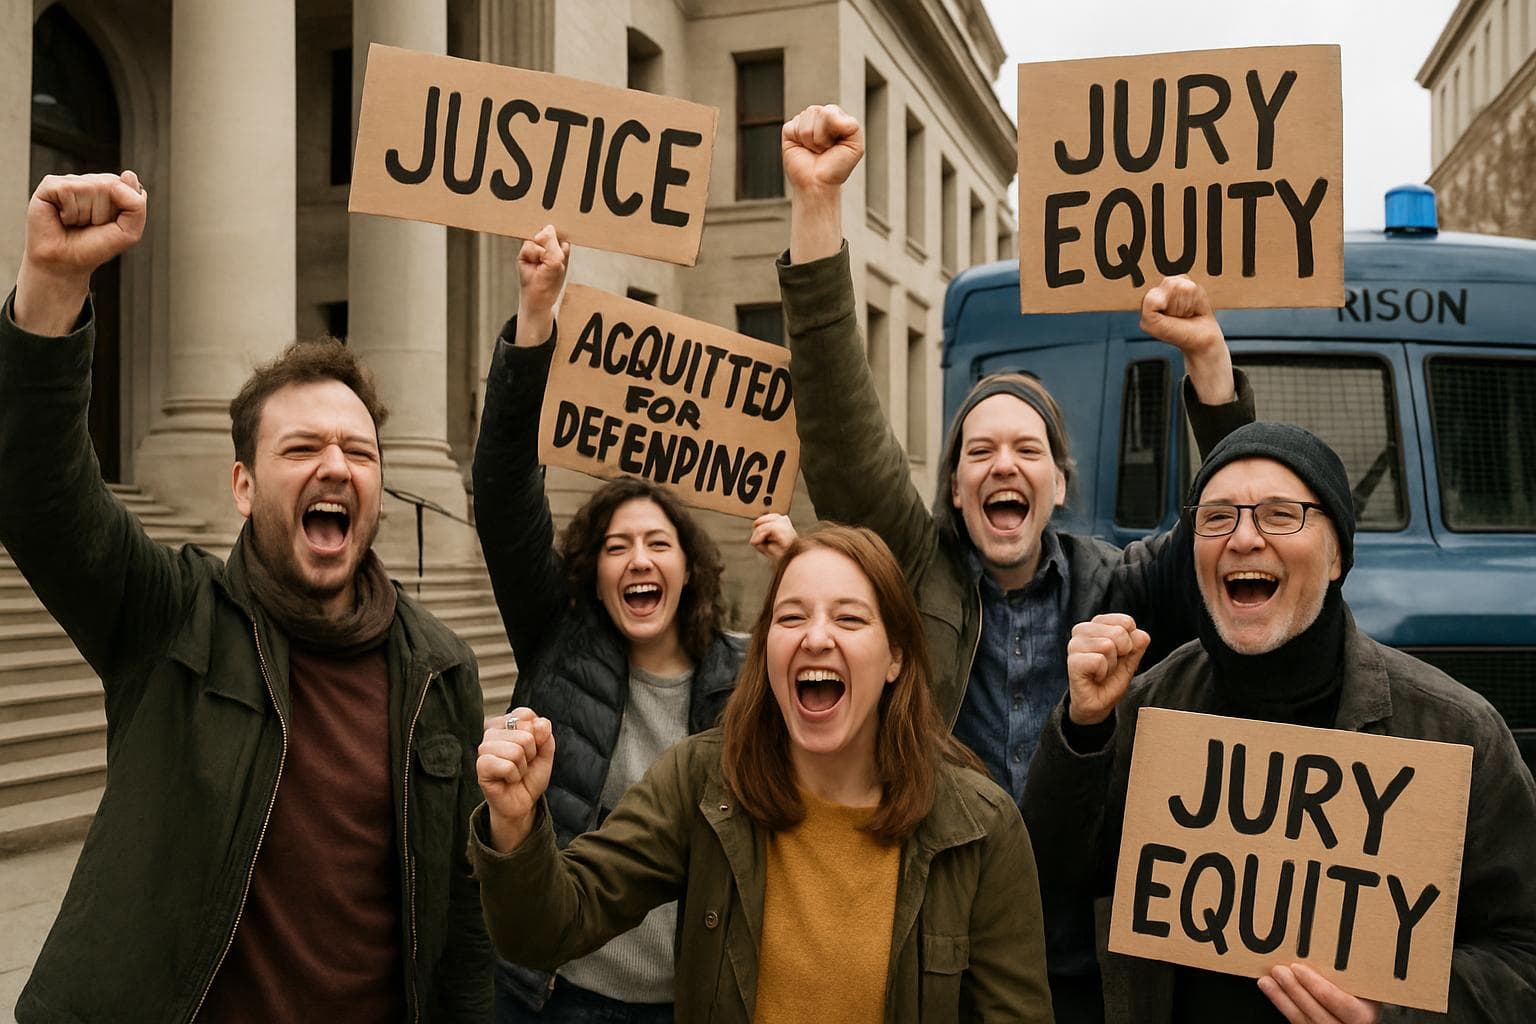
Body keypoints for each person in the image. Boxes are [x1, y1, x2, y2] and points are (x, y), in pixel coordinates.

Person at [775, 102, 1256, 1019]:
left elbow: (1231, 523)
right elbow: (839, 423)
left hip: (1084, 962)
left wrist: (1207, 360)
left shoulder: (1119, 586)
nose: (1003, 465)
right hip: (941, 954)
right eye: (980, 451)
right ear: (956, 490)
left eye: (1028, 450)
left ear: (1059, 485)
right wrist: (816, 207)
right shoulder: (913, 574)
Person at [0, 172, 492, 1020]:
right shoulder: (168, 619)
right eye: (301, 448)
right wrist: (53, 284)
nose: (335, 466)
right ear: (242, 485)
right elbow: (39, 491)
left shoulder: (441, 672)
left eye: (359, 453)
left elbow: (462, 922)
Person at [1023, 422, 1536, 1023]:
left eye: (1280, 515)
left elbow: (1521, 958)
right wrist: (1084, 727)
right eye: (1217, 517)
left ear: (1337, 555)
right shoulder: (1146, 708)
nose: (1243, 538)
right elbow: (1052, 878)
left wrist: (1390, 1016)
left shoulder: (1456, 732)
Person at [471, 525, 1055, 1022]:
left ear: (896, 656)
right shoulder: (702, 780)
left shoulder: (980, 828)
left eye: (849, 619)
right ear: (767, 646)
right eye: (791, 616)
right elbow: (547, 928)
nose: (815, 637)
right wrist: (516, 823)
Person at [472, 225, 748, 1021]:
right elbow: (503, 495)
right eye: (617, 547)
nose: (637, 560)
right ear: (594, 572)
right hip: (558, 996)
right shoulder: (559, 645)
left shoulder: (744, 678)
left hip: (690, 1004)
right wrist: (536, 317)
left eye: (657, 544)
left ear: (688, 568)